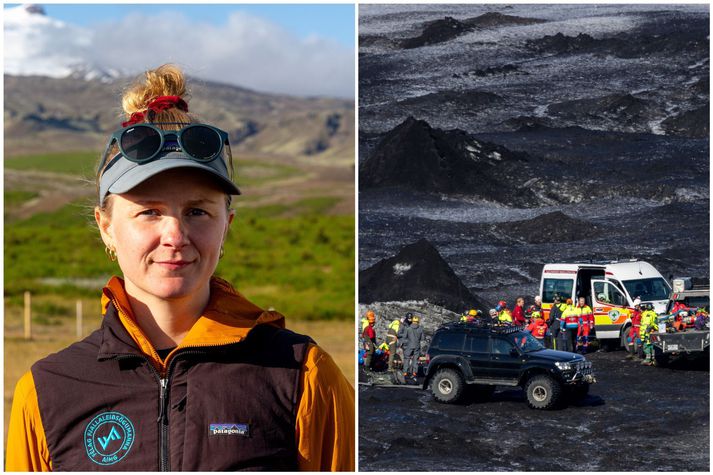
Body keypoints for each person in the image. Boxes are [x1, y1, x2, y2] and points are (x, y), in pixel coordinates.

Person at [6, 65, 354, 471]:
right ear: (106, 227)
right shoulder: (48, 391)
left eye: (197, 211)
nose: (175, 235)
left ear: (228, 225)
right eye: (149, 211)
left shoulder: (302, 375)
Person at [402, 315, 424, 381]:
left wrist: (405, 346)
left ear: (412, 321)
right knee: (415, 360)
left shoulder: (408, 328)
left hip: (409, 346)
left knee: (407, 359)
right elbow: (422, 338)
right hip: (417, 346)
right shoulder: (420, 329)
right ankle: (414, 374)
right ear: (418, 322)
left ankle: (405, 373)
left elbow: (404, 338)